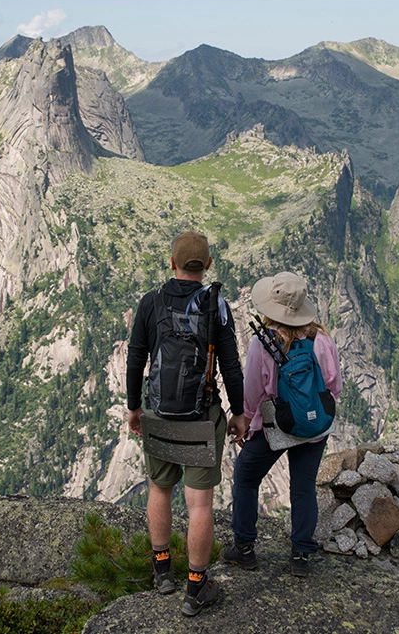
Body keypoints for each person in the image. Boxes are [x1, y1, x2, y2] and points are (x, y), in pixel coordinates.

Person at [125, 231, 248, 616]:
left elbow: (136, 359)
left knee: (159, 490)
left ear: (172, 263)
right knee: (200, 505)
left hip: (159, 414)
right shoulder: (216, 306)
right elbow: (231, 366)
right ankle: (196, 588)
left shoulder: (151, 302)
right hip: (201, 418)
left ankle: (163, 571)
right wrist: (239, 412)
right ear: (208, 265)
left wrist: (134, 408)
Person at [223, 271, 341, 577]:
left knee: (246, 477)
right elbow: (333, 385)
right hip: (315, 427)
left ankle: (244, 549)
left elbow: (253, 391)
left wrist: (247, 421)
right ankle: (301, 555)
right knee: (303, 488)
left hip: (276, 427)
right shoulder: (321, 338)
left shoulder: (263, 342)